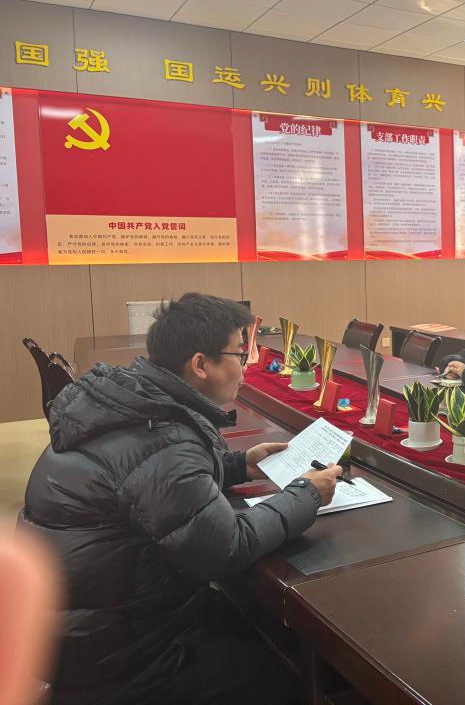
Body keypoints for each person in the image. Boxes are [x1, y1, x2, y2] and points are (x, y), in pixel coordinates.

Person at [18, 293, 342, 705]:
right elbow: (226, 547)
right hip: (116, 657)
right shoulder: (163, 437)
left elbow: (141, 478)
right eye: (240, 354)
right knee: (287, 677)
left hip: (76, 626)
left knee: (252, 619)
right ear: (201, 365)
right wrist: (307, 493)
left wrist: (239, 465)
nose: (246, 366)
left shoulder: (132, 404)